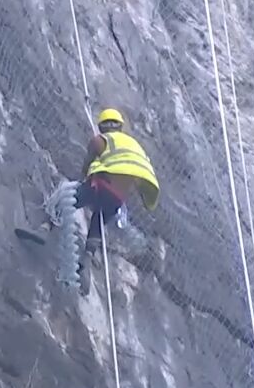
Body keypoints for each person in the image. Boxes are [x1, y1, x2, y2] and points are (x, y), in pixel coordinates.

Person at [19, 108, 160, 295]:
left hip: (100, 186)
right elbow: (140, 176)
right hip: (117, 200)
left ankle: (44, 229)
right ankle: (87, 258)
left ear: (101, 126)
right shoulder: (135, 147)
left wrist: (86, 176)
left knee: (68, 197)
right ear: (121, 126)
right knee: (98, 221)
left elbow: (86, 167)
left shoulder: (101, 140)